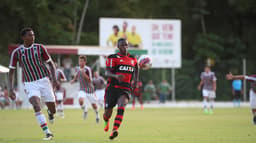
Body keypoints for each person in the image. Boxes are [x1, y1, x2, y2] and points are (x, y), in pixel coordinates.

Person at [8, 27, 57, 140]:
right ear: (23, 37)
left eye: (33, 35)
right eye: (30, 35)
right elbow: (11, 72)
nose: (32, 37)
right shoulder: (17, 53)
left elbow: (51, 64)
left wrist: (54, 78)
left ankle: (50, 113)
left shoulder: (40, 48)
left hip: (44, 81)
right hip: (30, 83)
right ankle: (47, 133)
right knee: (36, 104)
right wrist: (10, 89)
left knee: (53, 108)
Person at [103, 38, 139, 140]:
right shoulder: (113, 58)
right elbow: (107, 72)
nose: (125, 47)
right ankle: (106, 121)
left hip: (125, 88)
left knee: (121, 106)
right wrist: (116, 76)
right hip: (112, 88)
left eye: (126, 45)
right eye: (123, 45)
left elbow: (136, 68)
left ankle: (114, 130)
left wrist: (136, 80)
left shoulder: (133, 58)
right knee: (107, 113)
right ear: (118, 47)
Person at [70, 56, 99, 123]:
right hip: (82, 89)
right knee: (80, 101)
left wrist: (84, 74)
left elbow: (90, 80)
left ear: (85, 62)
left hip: (89, 89)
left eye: (82, 61)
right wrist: (74, 80)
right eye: (79, 61)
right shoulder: (77, 68)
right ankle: (85, 109)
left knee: (94, 105)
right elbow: (77, 74)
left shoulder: (87, 69)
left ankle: (97, 115)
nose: (80, 62)